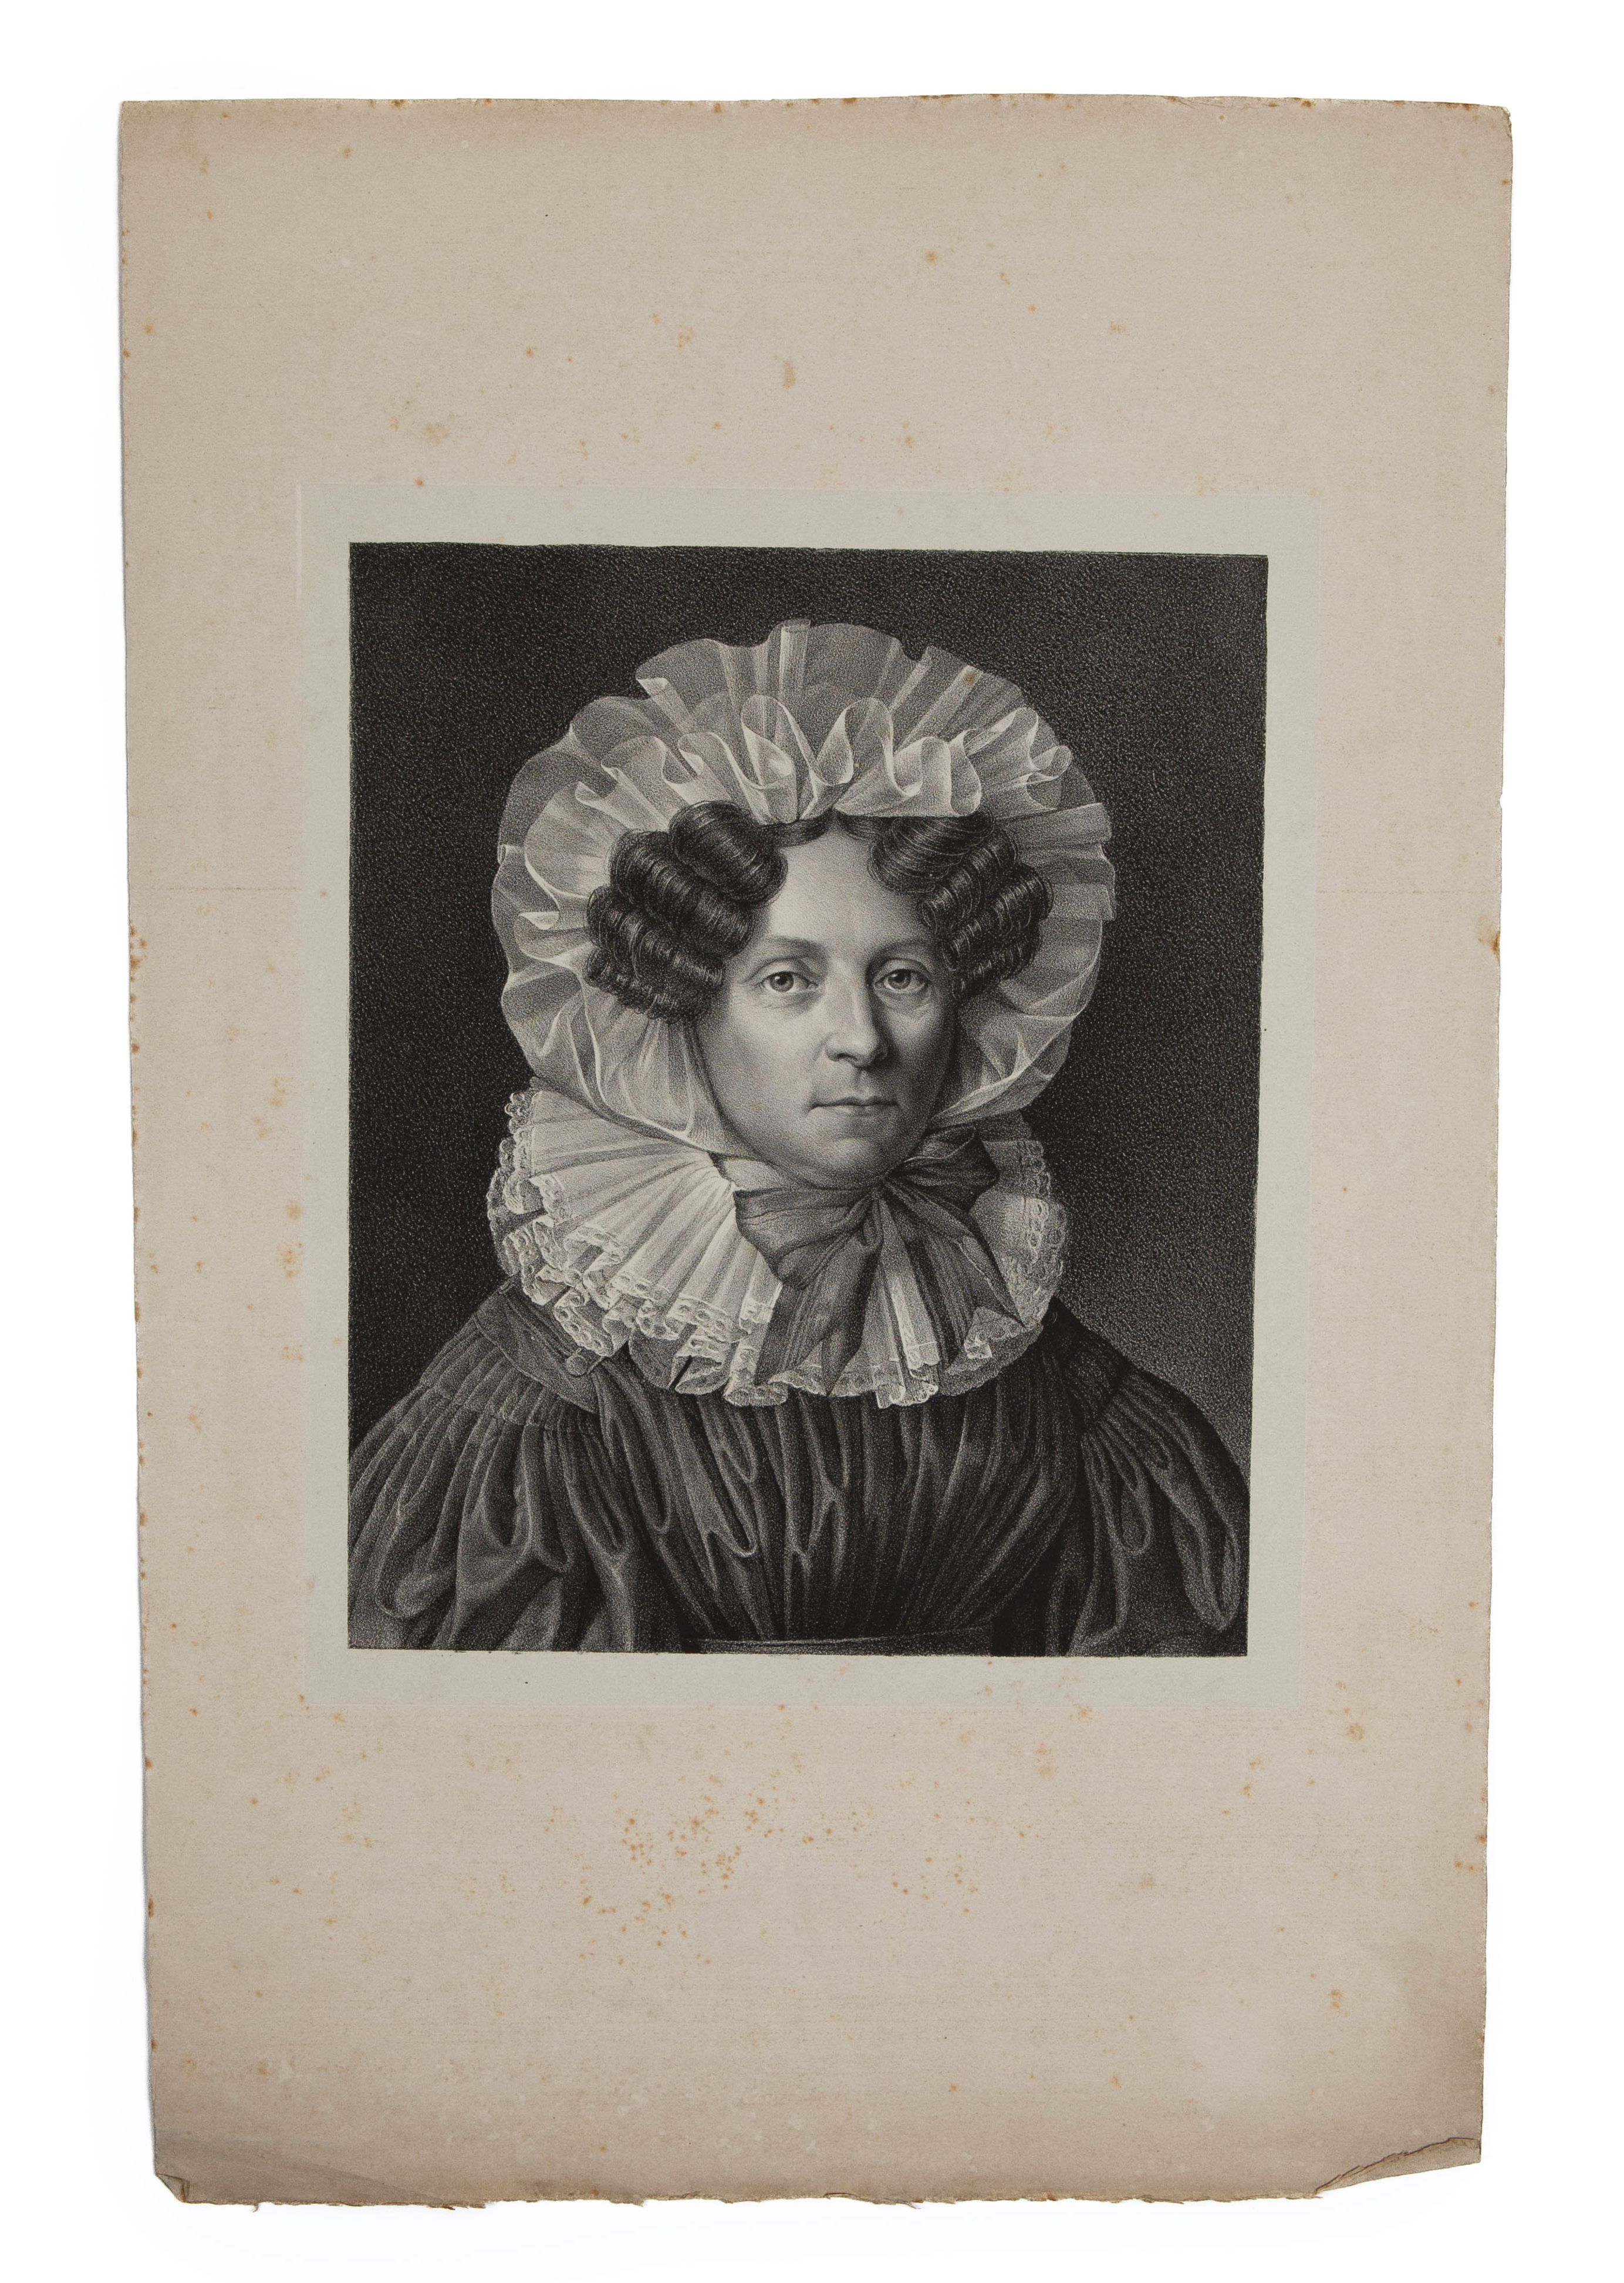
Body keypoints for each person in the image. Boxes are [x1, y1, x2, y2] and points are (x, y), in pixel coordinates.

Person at [349, 621, 1248, 1654]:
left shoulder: (1010, 1336)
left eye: (902, 977)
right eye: (788, 980)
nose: (862, 1038)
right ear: (685, 997)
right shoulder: (558, 1377)